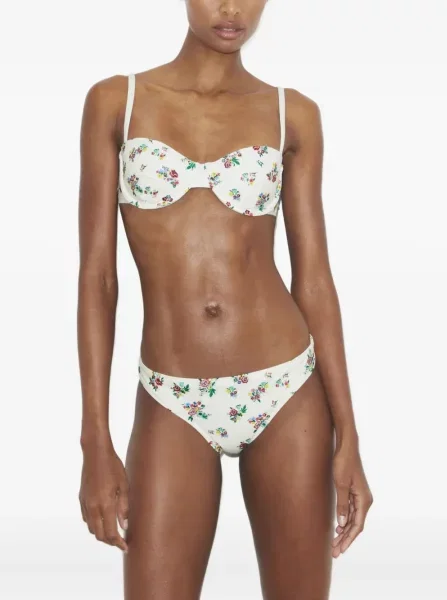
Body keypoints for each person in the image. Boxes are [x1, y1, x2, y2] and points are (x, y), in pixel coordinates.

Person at [77, 1, 373, 598]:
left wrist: (350, 436)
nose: (232, 8)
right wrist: (95, 438)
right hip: (171, 395)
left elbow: (314, 280)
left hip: (285, 387)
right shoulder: (117, 102)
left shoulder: (292, 114)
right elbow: (98, 278)